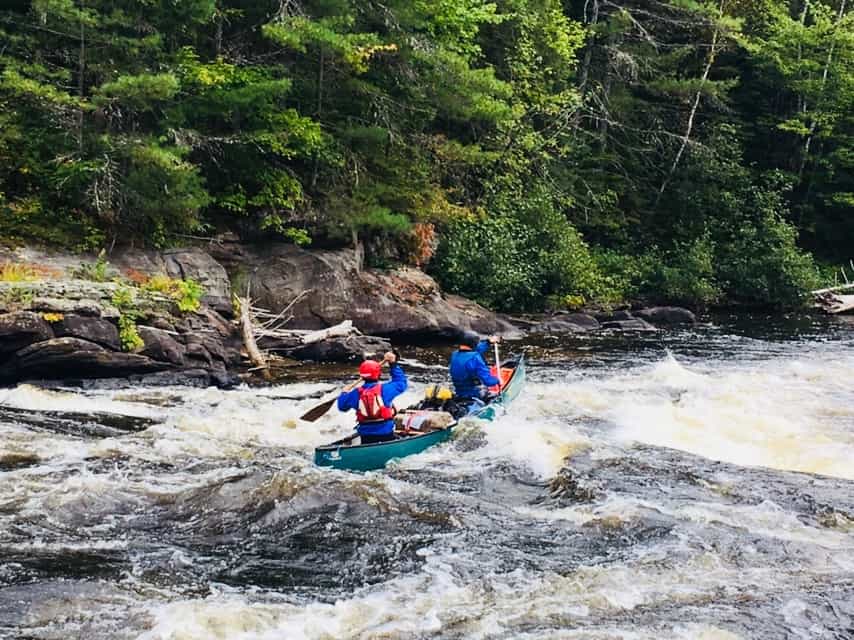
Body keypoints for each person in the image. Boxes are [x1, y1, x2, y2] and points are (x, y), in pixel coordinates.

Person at [337, 351, 408, 444]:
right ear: (378, 375)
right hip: (386, 435)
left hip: (366, 437)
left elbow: (342, 407)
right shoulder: (385, 389)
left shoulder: (355, 394)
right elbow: (401, 383)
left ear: (362, 375)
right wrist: (393, 364)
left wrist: (344, 393)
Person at [449, 331, 501, 402]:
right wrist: (497, 380)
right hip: (474, 394)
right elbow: (488, 382)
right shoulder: (475, 358)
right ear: (473, 344)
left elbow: (471, 351)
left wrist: (488, 342)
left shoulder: (454, 355)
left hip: (459, 393)